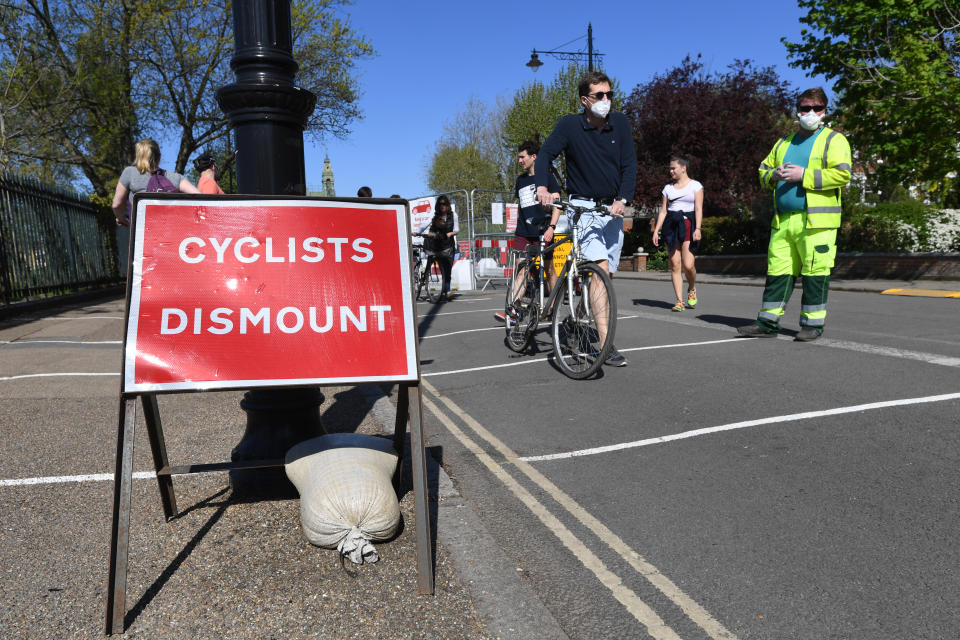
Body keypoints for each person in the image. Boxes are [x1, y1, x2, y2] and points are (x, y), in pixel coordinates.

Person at [534, 71, 637, 366]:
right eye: (599, 95)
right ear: (585, 100)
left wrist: (623, 199)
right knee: (600, 270)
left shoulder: (621, 123)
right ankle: (605, 344)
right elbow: (545, 156)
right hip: (583, 208)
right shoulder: (569, 125)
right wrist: (542, 187)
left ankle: (577, 317)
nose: (606, 100)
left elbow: (629, 165)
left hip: (612, 210)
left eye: (609, 94)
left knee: (606, 276)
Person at [737, 87, 851, 342]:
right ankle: (767, 322)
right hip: (783, 221)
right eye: (805, 108)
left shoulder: (834, 140)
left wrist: (804, 175)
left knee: (814, 273)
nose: (810, 112)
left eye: (816, 108)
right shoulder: (783, 143)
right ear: (797, 111)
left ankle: (812, 325)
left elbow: (843, 175)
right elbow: (762, 170)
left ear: (824, 111)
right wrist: (773, 175)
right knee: (778, 271)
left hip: (817, 223)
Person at [494, 140, 561, 323]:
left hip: (543, 231)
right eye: (518, 157)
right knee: (522, 269)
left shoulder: (547, 177)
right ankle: (514, 311)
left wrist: (552, 227)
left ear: (534, 157)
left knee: (549, 270)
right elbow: (522, 207)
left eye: (522, 157)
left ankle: (554, 307)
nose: (519, 161)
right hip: (523, 232)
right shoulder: (520, 180)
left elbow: (557, 205)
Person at [653, 156, 703, 311]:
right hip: (671, 226)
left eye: (673, 168)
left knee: (688, 265)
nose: (671, 171)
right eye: (670, 168)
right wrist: (656, 231)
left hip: (688, 224)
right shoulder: (667, 188)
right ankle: (679, 301)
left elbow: (698, 209)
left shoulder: (696, 186)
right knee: (675, 265)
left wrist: (698, 228)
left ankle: (692, 288)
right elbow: (663, 212)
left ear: (683, 168)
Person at [112, 138, 200, 226]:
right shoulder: (175, 177)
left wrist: (122, 219)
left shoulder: (129, 173)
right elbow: (201, 197)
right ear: (159, 157)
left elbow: (116, 205)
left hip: (141, 233)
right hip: (170, 232)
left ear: (138, 156)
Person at [414, 195, 459, 302]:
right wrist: (417, 232)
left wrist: (449, 234)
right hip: (438, 245)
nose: (442, 206)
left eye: (444, 204)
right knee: (443, 268)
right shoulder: (435, 215)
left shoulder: (453, 215)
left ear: (447, 205)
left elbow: (457, 230)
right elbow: (425, 224)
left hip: (449, 246)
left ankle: (447, 292)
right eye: (440, 204)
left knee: (448, 271)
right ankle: (446, 291)